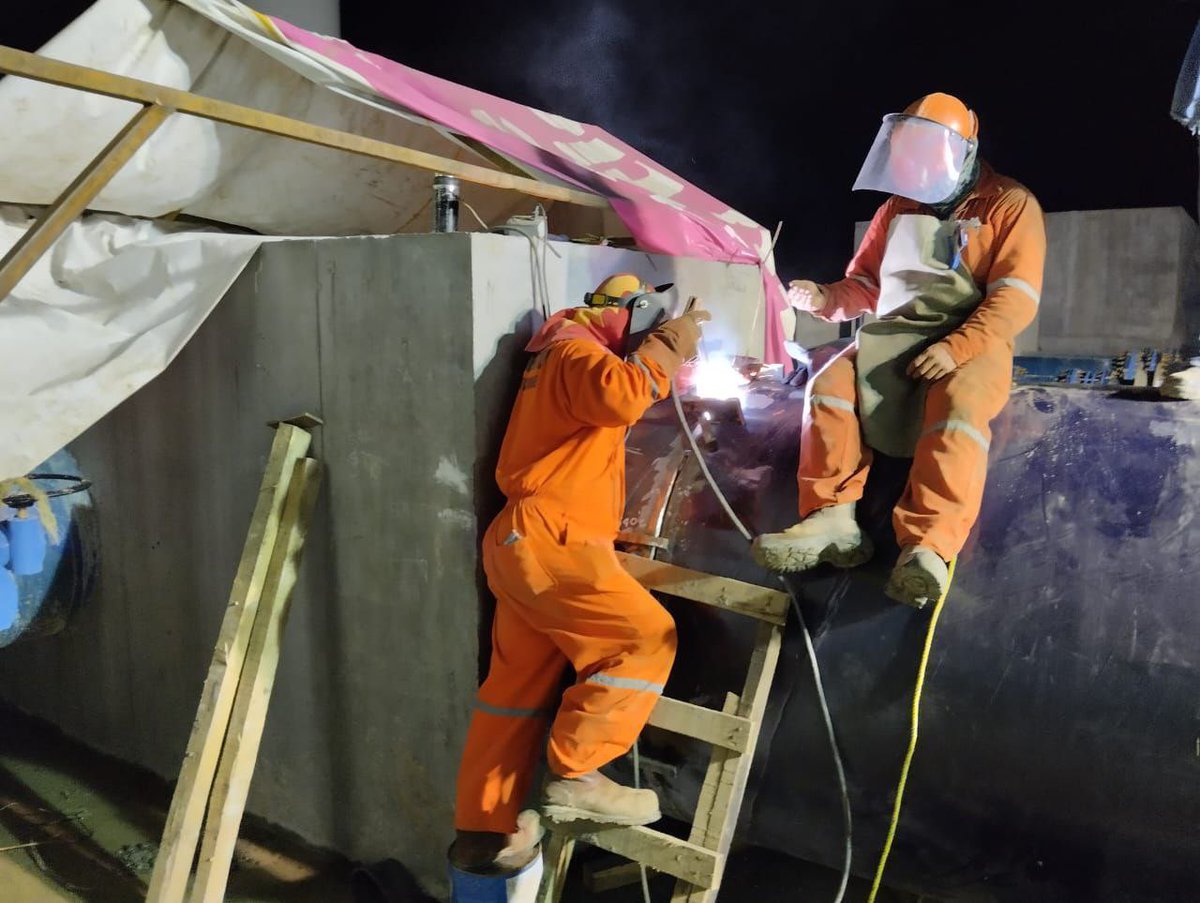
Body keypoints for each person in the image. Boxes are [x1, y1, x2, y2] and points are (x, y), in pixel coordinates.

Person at [449, 274, 710, 887]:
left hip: (524, 542)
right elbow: (624, 396)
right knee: (645, 637)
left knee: (513, 689)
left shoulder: (559, 354)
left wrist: (672, 358)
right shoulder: (574, 350)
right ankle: (579, 774)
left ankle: (487, 825)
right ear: (631, 312)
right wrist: (677, 337)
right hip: (552, 538)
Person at [754, 93, 1046, 607]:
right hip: (896, 336)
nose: (915, 168)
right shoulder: (895, 208)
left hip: (973, 339)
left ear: (962, 152)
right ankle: (832, 517)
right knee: (830, 383)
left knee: (958, 410)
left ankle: (928, 547)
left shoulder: (1009, 204)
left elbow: (1014, 298)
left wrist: (958, 347)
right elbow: (864, 286)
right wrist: (824, 299)